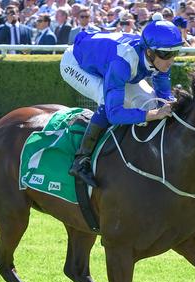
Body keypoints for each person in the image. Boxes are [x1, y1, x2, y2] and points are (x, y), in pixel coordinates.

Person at [60, 13, 180, 187]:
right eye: (166, 54)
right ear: (149, 51)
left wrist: (168, 105)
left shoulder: (160, 58)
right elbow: (114, 114)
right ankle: (81, 160)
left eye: (175, 52)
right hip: (76, 63)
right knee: (107, 99)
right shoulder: (123, 62)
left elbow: (163, 96)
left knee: (149, 102)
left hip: (106, 61)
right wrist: (154, 114)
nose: (171, 60)